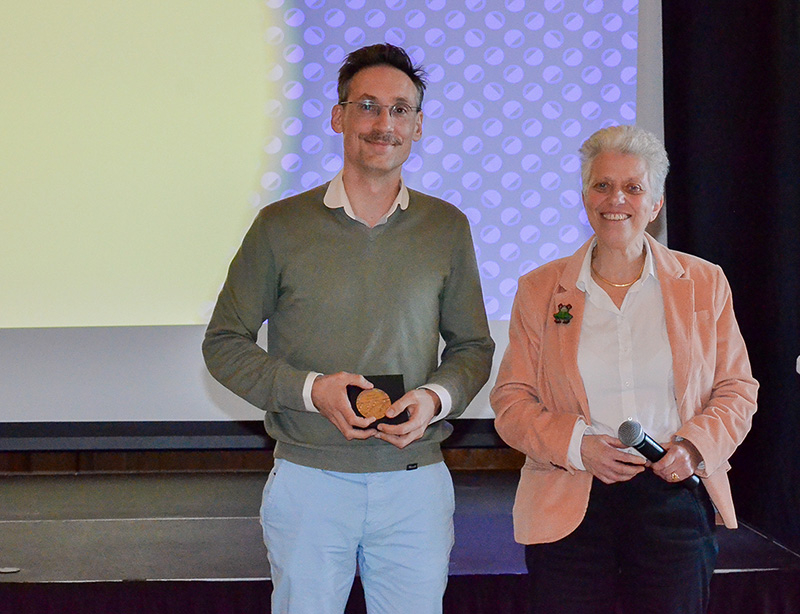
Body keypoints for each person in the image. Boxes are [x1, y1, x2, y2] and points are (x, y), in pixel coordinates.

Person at [203, 43, 494, 614]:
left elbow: (473, 347)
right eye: (368, 105)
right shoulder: (279, 226)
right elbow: (223, 344)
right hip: (309, 480)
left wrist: (434, 400)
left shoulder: (447, 227)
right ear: (338, 116)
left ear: (417, 127)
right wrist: (313, 391)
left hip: (416, 483)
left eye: (400, 109)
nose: (384, 123)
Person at [490, 124, 758, 614]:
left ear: (655, 205)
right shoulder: (539, 289)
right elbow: (510, 401)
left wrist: (694, 446)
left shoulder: (704, 282)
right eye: (602, 185)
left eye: (633, 188)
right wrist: (578, 446)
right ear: (586, 196)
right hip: (569, 498)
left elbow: (738, 388)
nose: (617, 199)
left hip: (672, 496)